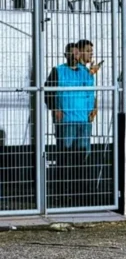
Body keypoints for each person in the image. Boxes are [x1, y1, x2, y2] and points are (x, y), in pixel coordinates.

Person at [45, 41, 96, 206]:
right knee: (65, 157)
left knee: (82, 158)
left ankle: (80, 194)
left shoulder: (86, 72)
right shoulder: (58, 71)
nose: (75, 56)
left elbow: (92, 93)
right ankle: (62, 194)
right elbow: (48, 92)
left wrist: (94, 108)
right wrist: (54, 109)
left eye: (77, 53)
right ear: (66, 55)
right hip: (66, 121)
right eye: (71, 53)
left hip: (83, 121)